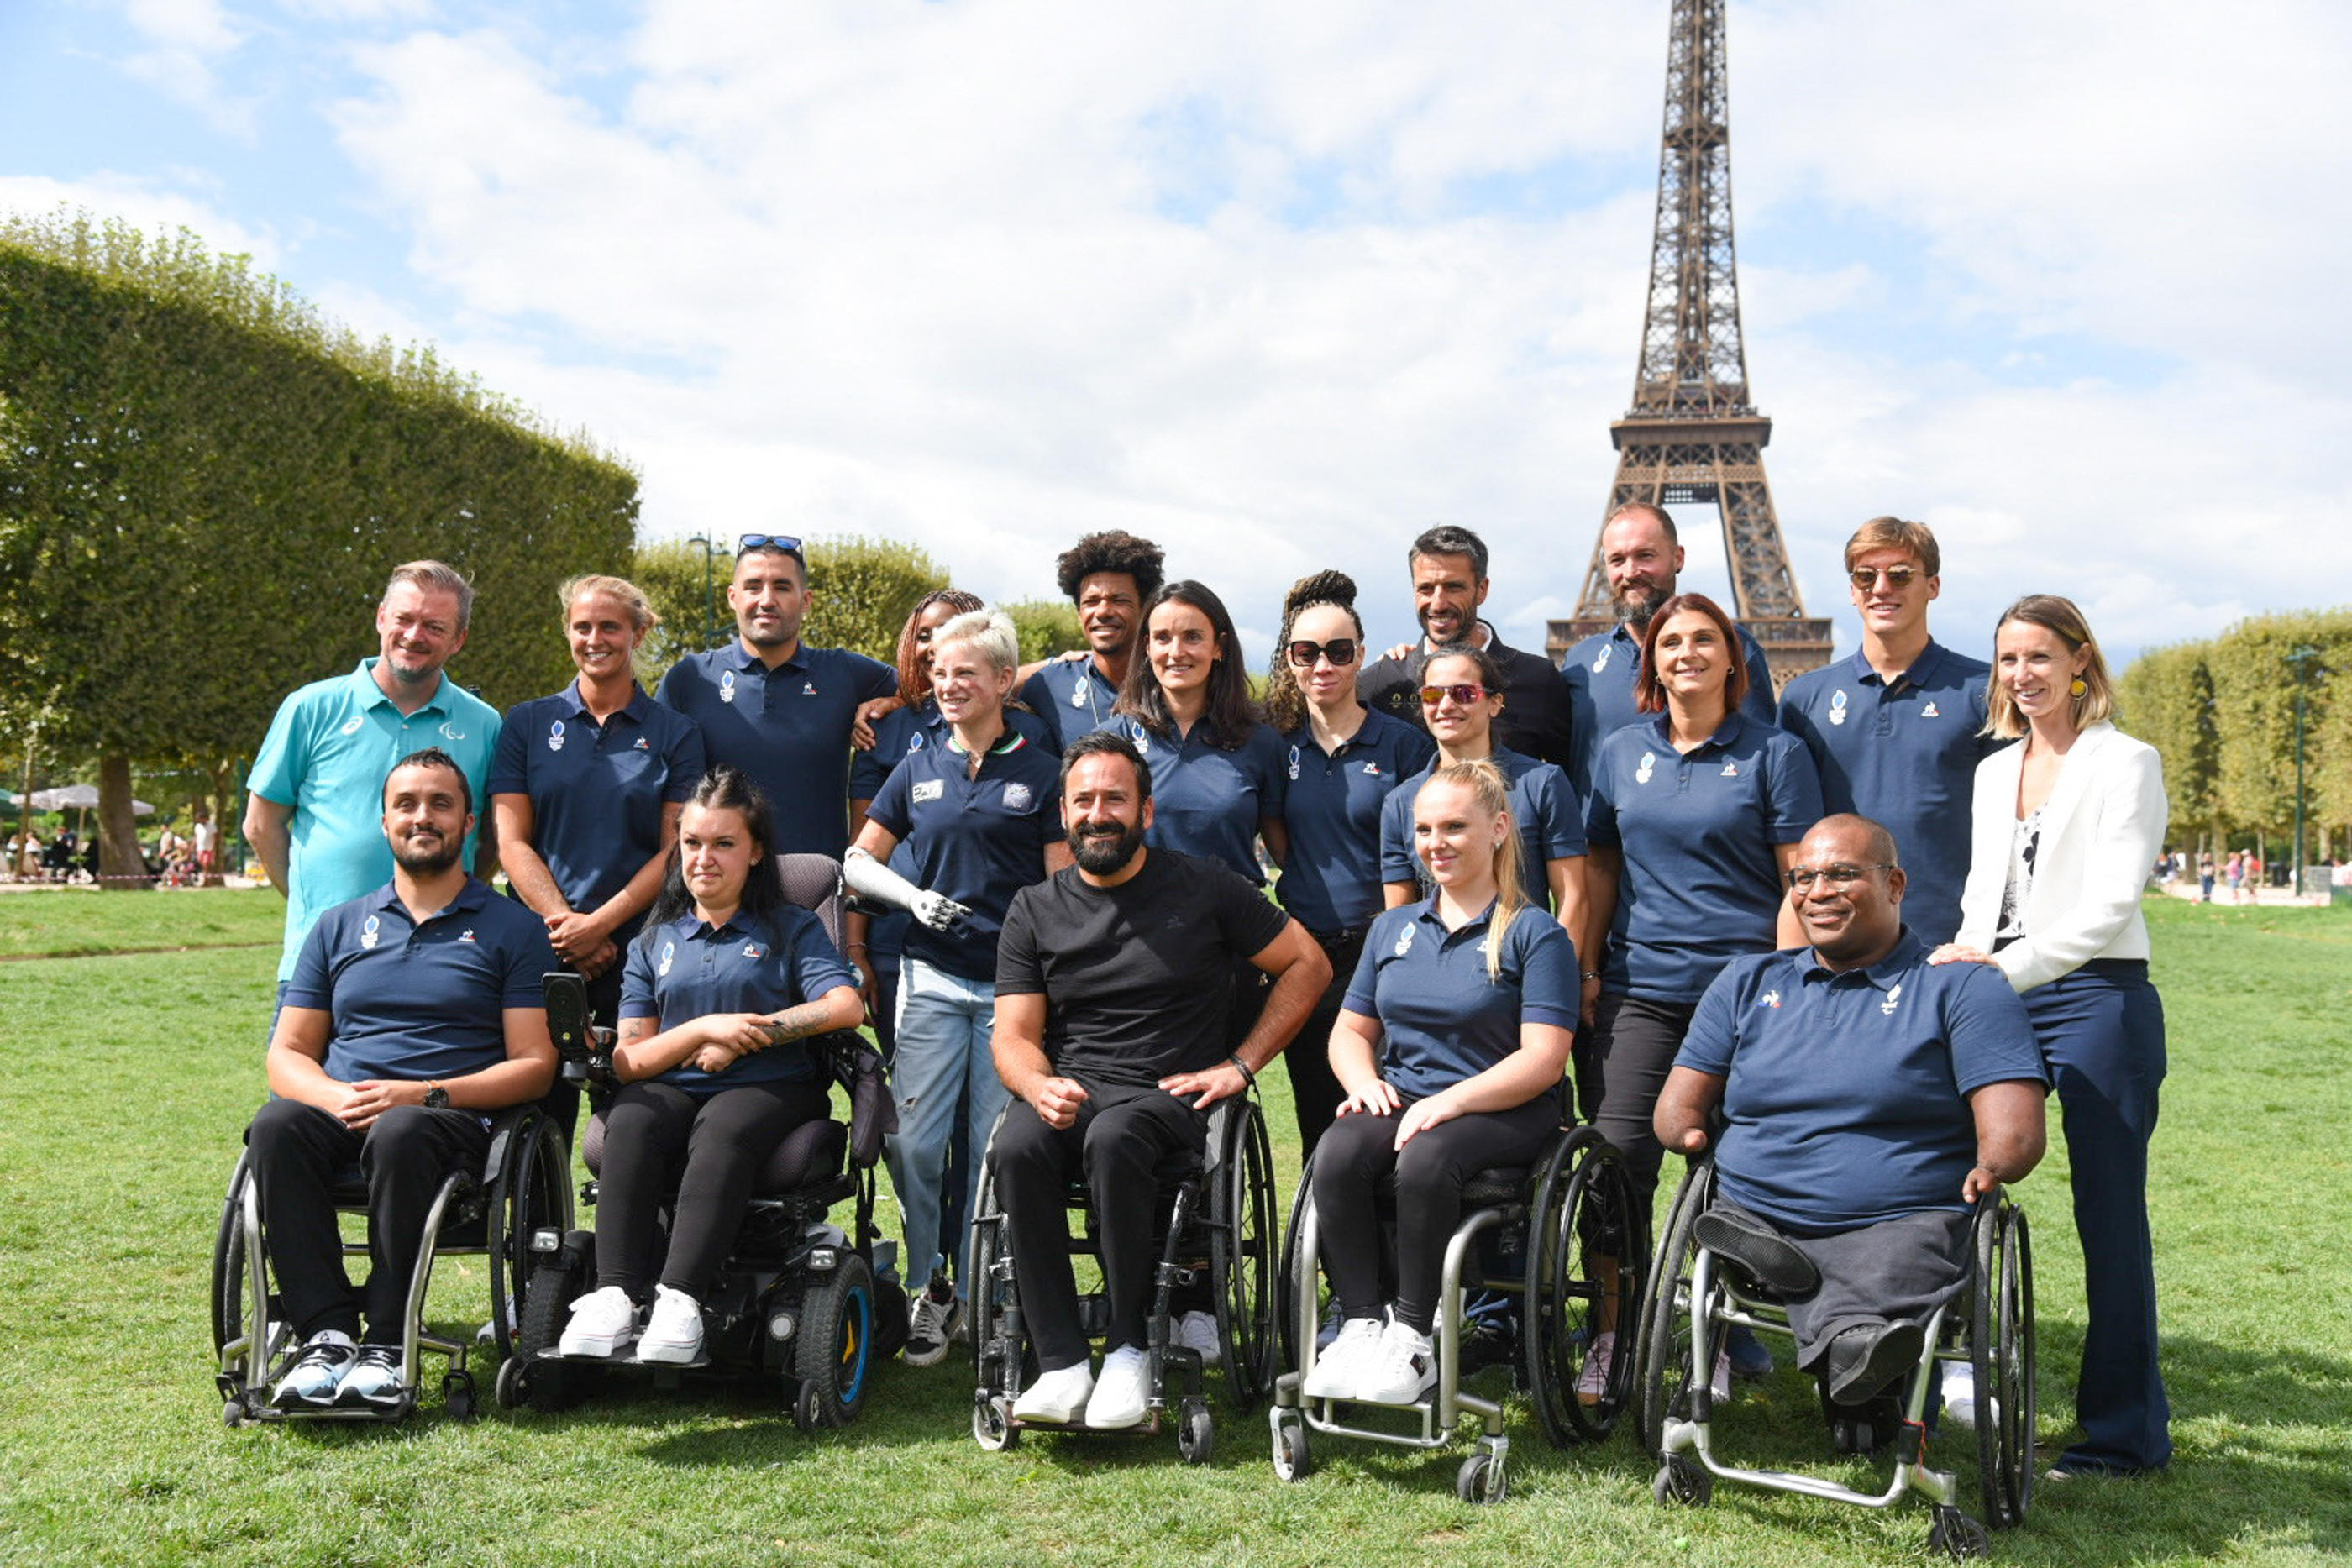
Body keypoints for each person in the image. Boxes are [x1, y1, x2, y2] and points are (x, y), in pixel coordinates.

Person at [1653, 815, 2045, 1433]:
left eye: (1841, 874)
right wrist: (1687, 1133)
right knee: (1743, 1226)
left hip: (1899, 1216)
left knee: (1899, 1261)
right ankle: (1851, 1342)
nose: (1817, 890)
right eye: (1803, 877)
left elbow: (2017, 1133)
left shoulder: (1961, 985)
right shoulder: (1747, 981)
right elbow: (1676, 1109)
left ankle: (1854, 1343)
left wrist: (1995, 1161)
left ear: (1895, 884)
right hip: (1757, 1205)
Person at [990, 732, 1328, 1428]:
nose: (1098, 812)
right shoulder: (1034, 907)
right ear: (1063, 812)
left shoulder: (1206, 886)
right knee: (1017, 1146)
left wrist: (1241, 1063)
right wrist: (1034, 1085)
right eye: (1084, 799)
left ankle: (1127, 1348)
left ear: (1146, 812)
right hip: (1073, 1088)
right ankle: (1058, 1360)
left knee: (1115, 1137)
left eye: (1116, 797)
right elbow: (1014, 1037)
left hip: (1166, 1095)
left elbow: (1308, 965)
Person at [1933, 594, 2172, 1478]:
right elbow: (1980, 888)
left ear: (2080, 661)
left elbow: (2111, 906)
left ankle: (2123, 1435)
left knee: (2109, 1218)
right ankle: (1939, 1382)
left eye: (2039, 657)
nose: (2023, 675)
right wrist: (1965, 954)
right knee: (1951, 1181)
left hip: (2096, 997)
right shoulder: (1994, 769)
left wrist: (2002, 967)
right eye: (2007, 660)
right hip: (1999, 989)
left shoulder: (2127, 761)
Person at [251, 749, 559, 1409]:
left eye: (441, 803)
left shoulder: (513, 927)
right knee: (275, 1124)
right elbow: (288, 1055)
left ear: (469, 822)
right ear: (384, 820)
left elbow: (535, 1064)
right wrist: (339, 1097)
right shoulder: (335, 925)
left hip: (448, 1121)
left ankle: (389, 1343)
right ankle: (326, 1336)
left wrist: (423, 1093)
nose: (424, 816)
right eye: (408, 803)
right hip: (344, 1108)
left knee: (400, 1128)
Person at [1583, 591, 1821, 1389]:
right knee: (1616, 1163)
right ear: (1650, 660)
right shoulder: (1619, 751)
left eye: (1703, 639)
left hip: (1742, 995)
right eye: (1669, 641)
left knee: (1725, 1173)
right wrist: (1585, 969)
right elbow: (1601, 872)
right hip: (1640, 989)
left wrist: (1791, 990)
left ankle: (1710, 1336)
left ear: (1732, 657)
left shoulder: (1775, 754)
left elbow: (1800, 883)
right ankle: (1614, 1333)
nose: (1685, 651)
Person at [558, 768, 866, 1364]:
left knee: (724, 1121)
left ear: (755, 853)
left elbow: (845, 1005)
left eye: (724, 843)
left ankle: (680, 1300)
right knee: (633, 1115)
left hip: (773, 1086)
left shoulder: (792, 927)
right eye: (693, 843)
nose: (704, 858)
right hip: (674, 1087)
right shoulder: (654, 942)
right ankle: (614, 1293)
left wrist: (750, 1036)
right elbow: (630, 1056)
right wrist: (703, 1030)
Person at [1302, 760, 1578, 1405]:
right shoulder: (1392, 929)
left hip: (1506, 1106)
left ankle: (1412, 1334)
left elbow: (1543, 1058)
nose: (1437, 843)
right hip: (1407, 1093)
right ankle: (1362, 1321)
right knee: (1337, 1150)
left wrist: (1451, 1101)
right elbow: (1348, 1031)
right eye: (1425, 829)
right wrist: (1362, 1079)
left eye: (1455, 826)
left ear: (1500, 828)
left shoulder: (1536, 933)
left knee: (1424, 1156)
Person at [843, 609, 1071, 1366]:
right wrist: (910, 900)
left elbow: (1063, 886)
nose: (947, 683)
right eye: (938, 671)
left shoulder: (1042, 773)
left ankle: (985, 1295)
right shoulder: (917, 765)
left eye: (964, 672)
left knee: (990, 1152)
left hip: (1012, 993)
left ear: (1004, 681)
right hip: (931, 978)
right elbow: (857, 862)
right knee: (914, 1145)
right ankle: (928, 1286)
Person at [246, 561, 502, 1001]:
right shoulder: (310, 708)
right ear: (382, 617)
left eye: (434, 626)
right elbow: (261, 824)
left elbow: (492, 841)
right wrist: (314, 908)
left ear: (458, 640)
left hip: (442, 960)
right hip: (322, 960)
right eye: (404, 619)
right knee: (304, 1072)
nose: (414, 635)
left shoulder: (485, 725)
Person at [1260, 570, 1436, 1156]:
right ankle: (1331, 1246)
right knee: (1317, 1121)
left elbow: (1420, 857)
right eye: (1306, 652)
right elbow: (1281, 838)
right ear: (1290, 659)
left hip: (1379, 952)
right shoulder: (1278, 746)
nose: (1322, 665)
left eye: (1339, 651)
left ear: (1361, 655)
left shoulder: (1403, 744)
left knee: (1385, 1117)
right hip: (1304, 957)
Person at [491, 574, 705, 1040]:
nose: (594, 640)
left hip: (637, 944)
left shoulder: (677, 733)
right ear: (567, 631)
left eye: (610, 627)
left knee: (627, 1105)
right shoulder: (526, 723)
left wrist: (600, 926)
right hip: (542, 942)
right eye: (582, 627)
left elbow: (677, 851)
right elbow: (511, 841)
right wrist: (569, 930)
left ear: (638, 633)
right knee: (538, 1099)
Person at [1777, 518, 1994, 945]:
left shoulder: (1985, 692)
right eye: (1865, 576)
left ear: (1933, 586)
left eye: (1899, 575)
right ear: (1852, 589)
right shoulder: (1803, 699)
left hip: (1955, 937)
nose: (1881, 588)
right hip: (1840, 939)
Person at [1100, 579, 1291, 1048]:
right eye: (1162, 637)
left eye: (1192, 637)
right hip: (1134, 942)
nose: (1175, 651)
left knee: (1214, 1094)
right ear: (1146, 648)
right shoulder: (1113, 740)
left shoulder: (1260, 741)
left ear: (1219, 648)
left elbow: (1286, 852)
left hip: (1228, 946)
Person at [654, 535, 895, 860]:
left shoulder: (845, 672)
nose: (767, 600)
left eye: (782, 587)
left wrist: (892, 701)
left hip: (815, 891)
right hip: (719, 892)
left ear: (806, 600)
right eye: (753, 586)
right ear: (732, 597)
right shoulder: (690, 678)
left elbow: (931, 687)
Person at [1378, 643, 1588, 962]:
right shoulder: (1401, 801)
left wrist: (1557, 980)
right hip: (1439, 974)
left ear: (1495, 703)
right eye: (1433, 695)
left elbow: (1572, 897)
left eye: (1463, 693)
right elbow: (1399, 916)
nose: (1446, 705)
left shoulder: (1542, 783)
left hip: (1525, 972)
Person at [1561, 503, 1777, 806]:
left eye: (1645, 556)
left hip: (1701, 843)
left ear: (1678, 558)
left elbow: (1764, 757)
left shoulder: (1733, 648)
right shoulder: (1580, 661)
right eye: (1617, 560)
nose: (1631, 572)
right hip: (1601, 850)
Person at [1357, 524, 1576, 771]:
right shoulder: (1379, 683)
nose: (1438, 603)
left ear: (1482, 590)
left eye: (1453, 587)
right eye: (1426, 588)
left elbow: (1571, 782)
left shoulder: (1539, 680)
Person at [1016, 530, 1167, 753]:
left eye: (1119, 600)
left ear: (1145, 609)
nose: (1103, 611)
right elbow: (987, 688)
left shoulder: (1173, 683)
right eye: (1091, 602)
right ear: (1079, 612)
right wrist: (1049, 663)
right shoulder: (1050, 684)